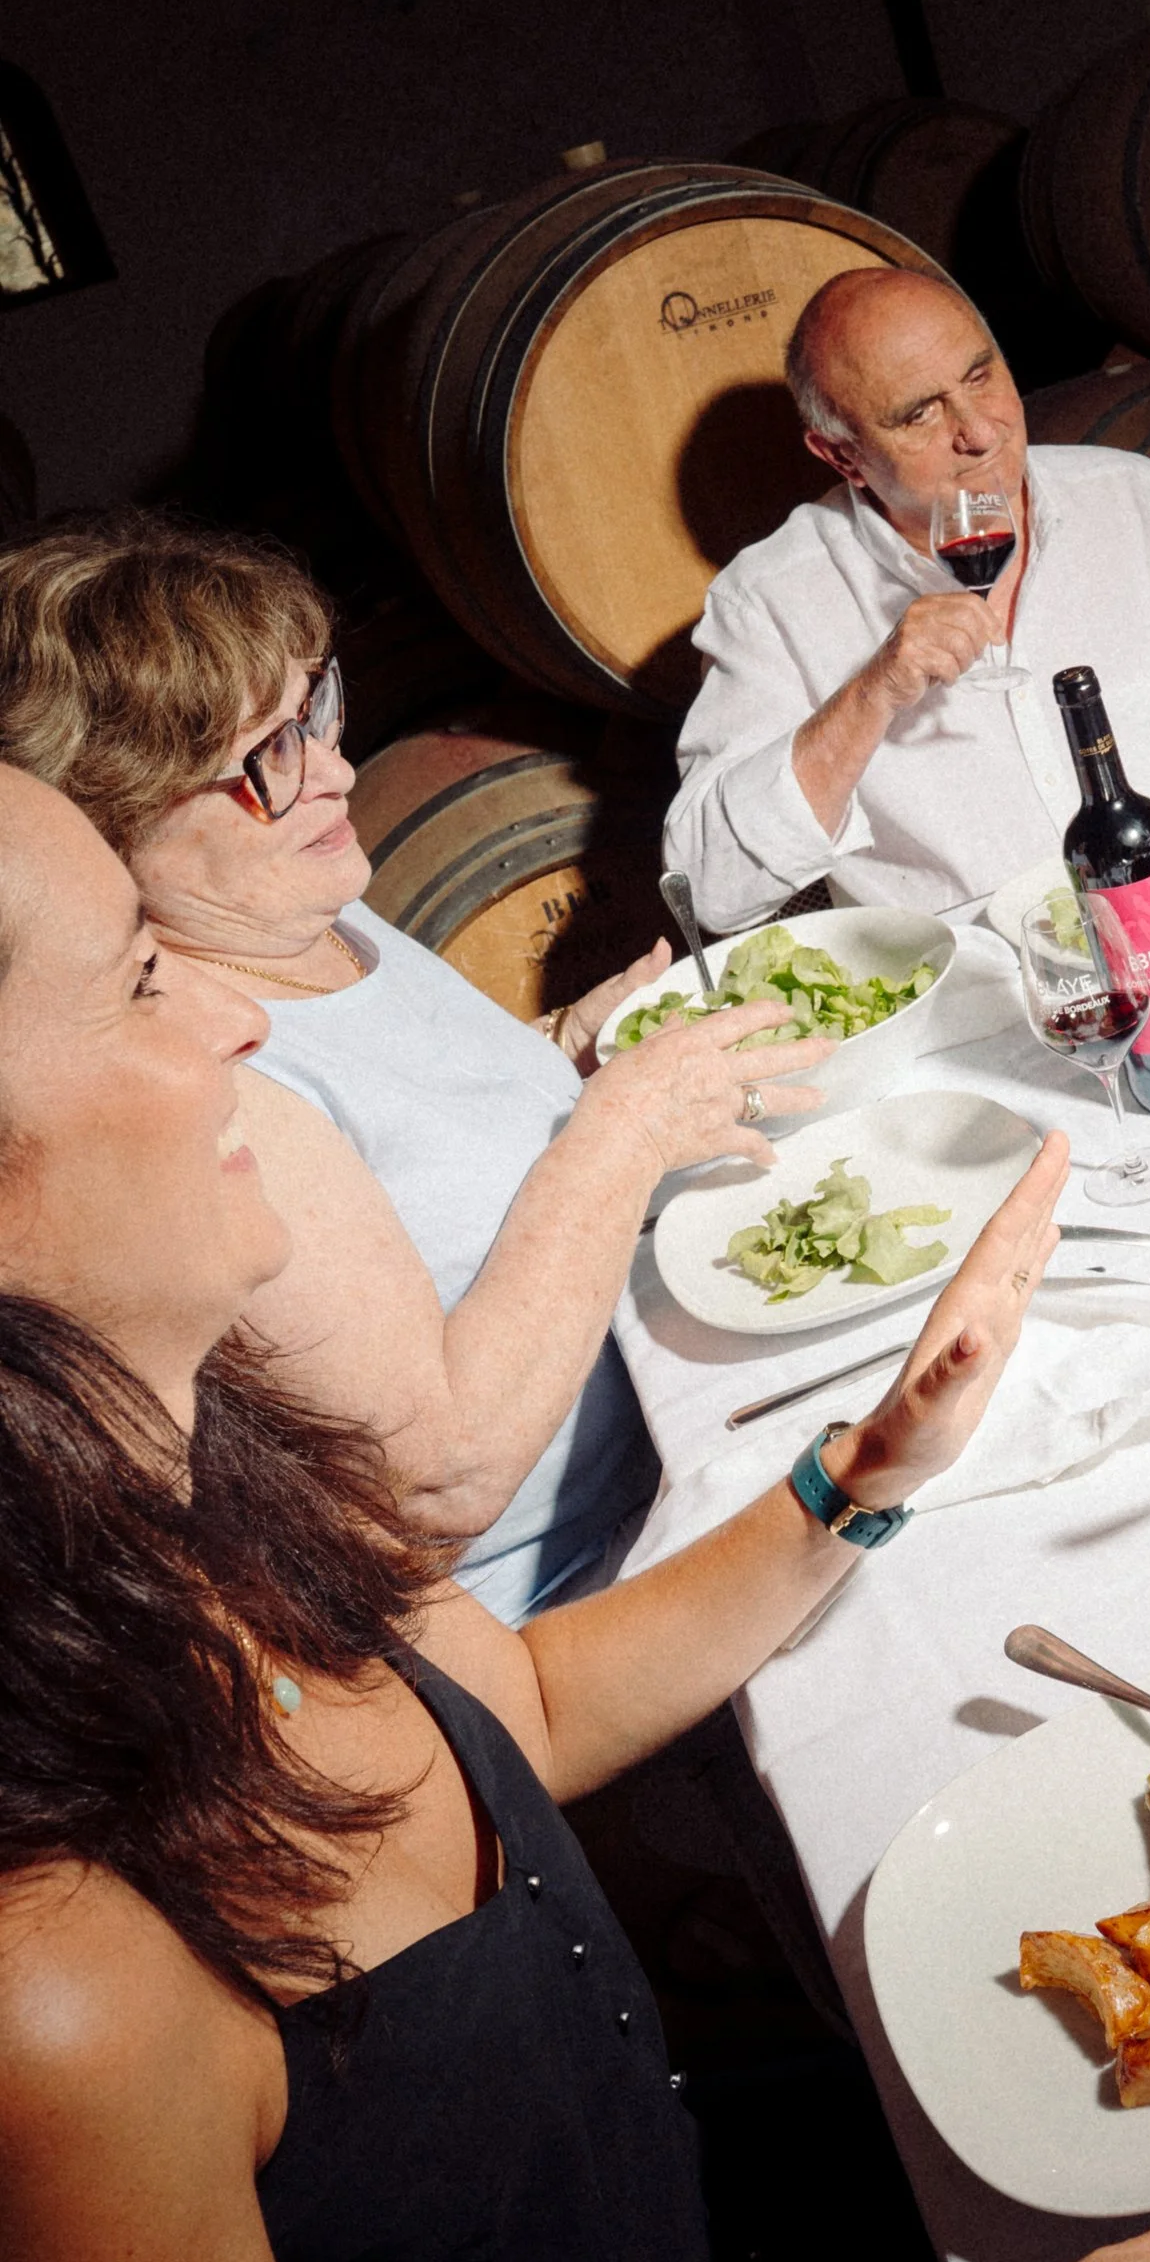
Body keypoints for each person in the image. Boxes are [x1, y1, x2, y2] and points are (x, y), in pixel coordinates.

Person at [0, 766, 1150, 2262]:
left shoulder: (198, 1488)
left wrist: (864, 1477)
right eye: (134, 981)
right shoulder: (57, 1991)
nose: (242, 1015)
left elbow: (507, 1693)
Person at [0, 515, 830, 1618]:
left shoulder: (303, 914)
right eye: (267, 760)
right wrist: (622, 1133)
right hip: (599, 1587)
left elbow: (420, 1154)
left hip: (692, 1421)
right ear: (112, 827)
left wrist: (571, 1048)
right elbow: (438, 1477)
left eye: (317, 709)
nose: (338, 771)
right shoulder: (219, 1080)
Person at [666, 264, 1150, 921]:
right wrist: (873, 694)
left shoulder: (1139, 501)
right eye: (920, 415)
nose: (981, 433)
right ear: (843, 455)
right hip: (995, 1000)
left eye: (980, 376)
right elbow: (710, 888)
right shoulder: (768, 600)